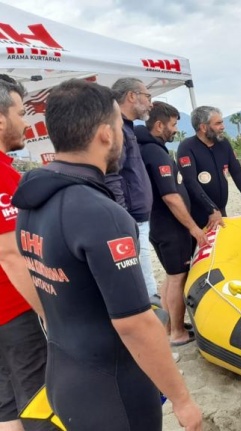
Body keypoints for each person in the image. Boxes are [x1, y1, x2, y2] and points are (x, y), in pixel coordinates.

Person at [12, 79, 202, 431]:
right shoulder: (101, 213)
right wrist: (182, 399)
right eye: (119, 126)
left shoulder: (31, 197)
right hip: (113, 388)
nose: (123, 137)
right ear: (104, 134)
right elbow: (134, 323)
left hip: (64, 373)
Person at [0, 77, 51, 431]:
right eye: (20, 113)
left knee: (7, 405)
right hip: (15, 310)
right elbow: (11, 254)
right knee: (39, 403)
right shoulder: (2, 175)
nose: (25, 122)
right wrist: (49, 312)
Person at [136, 101, 207, 347]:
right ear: (159, 125)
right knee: (178, 278)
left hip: (159, 226)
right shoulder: (155, 153)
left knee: (171, 276)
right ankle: (177, 332)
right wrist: (193, 227)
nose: (176, 129)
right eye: (174, 124)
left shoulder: (146, 149)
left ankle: (169, 326)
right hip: (170, 227)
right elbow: (170, 196)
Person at [105, 78, 159, 301]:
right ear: (131, 96)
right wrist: (123, 217)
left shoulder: (129, 129)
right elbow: (112, 175)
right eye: (147, 96)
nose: (150, 103)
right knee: (145, 288)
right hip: (132, 220)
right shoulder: (117, 130)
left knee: (145, 281)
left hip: (138, 217)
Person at [177, 106, 241, 231]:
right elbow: (190, 182)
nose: (223, 127)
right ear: (203, 127)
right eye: (218, 123)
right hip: (199, 213)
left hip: (220, 211)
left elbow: (238, 174)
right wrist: (211, 209)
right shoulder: (187, 147)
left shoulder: (223, 144)